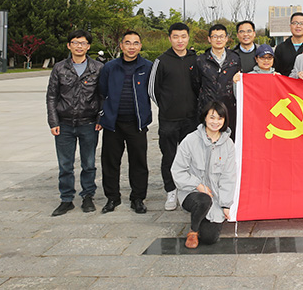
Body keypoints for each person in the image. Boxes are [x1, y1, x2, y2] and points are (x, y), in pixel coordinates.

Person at [46, 30, 104, 216]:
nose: (79, 46)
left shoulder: (97, 68)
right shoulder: (59, 68)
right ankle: (66, 199)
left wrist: (100, 119)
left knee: (89, 163)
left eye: (83, 43)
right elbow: (52, 96)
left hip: (89, 123)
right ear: (69, 45)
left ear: (88, 46)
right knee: (65, 165)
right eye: (75, 43)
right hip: (64, 123)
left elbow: (102, 96)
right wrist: (53, 121)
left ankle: (88, 196)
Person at [99, 31, 153, 214]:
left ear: (140, 46)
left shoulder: (148, 67)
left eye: (135, 43)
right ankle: (112, 198)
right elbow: (102, 92)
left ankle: (137, 198)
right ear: (121, 46)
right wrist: (103, 116)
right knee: (110, 163)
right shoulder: (110, 67)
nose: (132, 47)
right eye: (128, 43)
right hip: (113, 123)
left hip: (137, 123)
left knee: (138, 163)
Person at [171, 101, 236, 249]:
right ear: (205, 118)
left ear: (224, 120)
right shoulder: (190, 140)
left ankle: (202, 220)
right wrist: (198, 185)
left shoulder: (228, 145)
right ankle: (193, 231)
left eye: (220, 118)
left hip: (215, 197)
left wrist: (226, 204)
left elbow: (229, 177)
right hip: (191, 192)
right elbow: (177, 170)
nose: (215, 122)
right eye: (212, 117)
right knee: (203, 200)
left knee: (210, 238)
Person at [148, 22, 198, 211]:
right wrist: (166, 107)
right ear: (169, 38)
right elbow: (152, 89)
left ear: (188, 38)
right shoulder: (161, 61)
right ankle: (171, 190)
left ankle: (189, 190)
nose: (180, 40)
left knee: (191, 157)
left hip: (191, 119)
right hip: (169, 120)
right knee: (169, 156)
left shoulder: (195, 59)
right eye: (176, 37)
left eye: (183, 36)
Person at [193, 24, 241, 138]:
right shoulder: (200, 60)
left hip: (228, 109)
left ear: (226, 38)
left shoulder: (235, 58)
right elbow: (195, 84)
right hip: (208, 109)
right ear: (209, 39)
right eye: (215, 36)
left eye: (221, 36)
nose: (218, 39)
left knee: (229, 140)